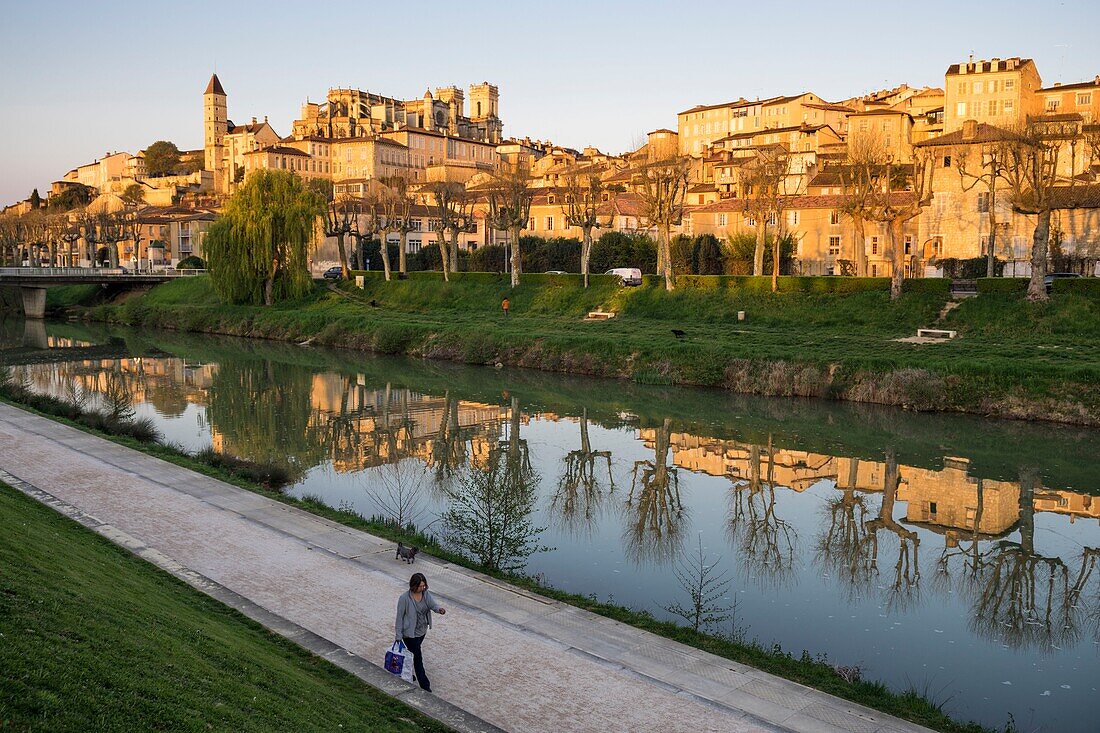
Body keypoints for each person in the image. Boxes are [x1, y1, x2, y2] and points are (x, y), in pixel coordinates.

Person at [394, 572, 446, 692]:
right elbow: (399, 617)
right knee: (418, 657)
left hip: (422, 631)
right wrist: (398, 635)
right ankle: (425, 686)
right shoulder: (404, 598)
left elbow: (433, 605)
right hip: (409, 634)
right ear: (413, 585)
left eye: (424, 586)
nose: (422, 588)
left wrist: (439, 610)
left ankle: (405, 672)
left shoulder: (425, 594)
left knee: (411, 654)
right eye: (420, 586)